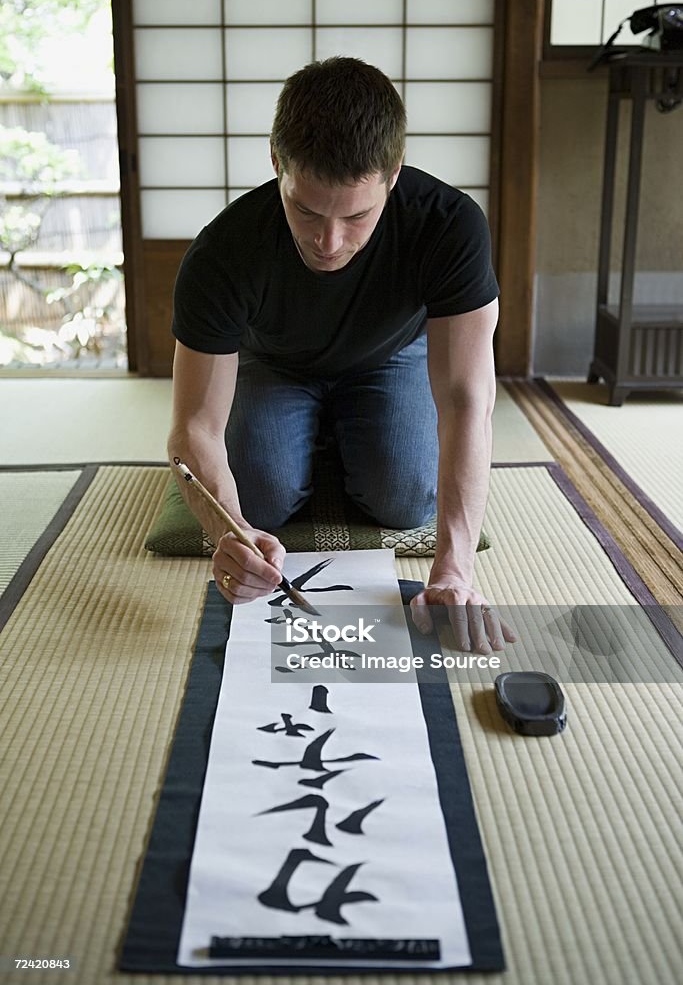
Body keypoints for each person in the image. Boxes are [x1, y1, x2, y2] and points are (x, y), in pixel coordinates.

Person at [168, 56, 515, 654]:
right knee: (260, 500)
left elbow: (466, 398)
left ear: (393, 173)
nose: (329, 242)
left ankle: (339, 436)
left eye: (357, 215)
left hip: (391, 358)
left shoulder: (450, 225)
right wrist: (231, 532)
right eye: (305, 209)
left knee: (404, 499)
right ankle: (310, 437)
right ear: (278, 163)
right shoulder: (224, 251)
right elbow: (193, 426)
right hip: (275, 365)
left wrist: (455, 570)